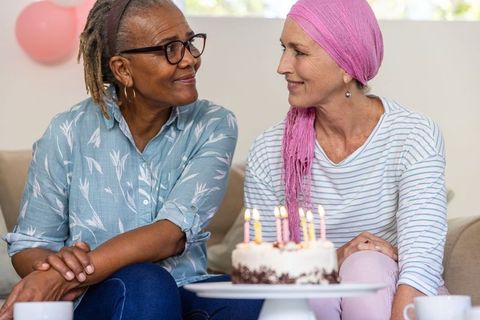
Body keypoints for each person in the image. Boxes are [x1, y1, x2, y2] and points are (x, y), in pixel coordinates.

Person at [0, 0, 263, 319]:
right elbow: (30, 245)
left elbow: (170, 234)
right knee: (147, 284)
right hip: (98, 297)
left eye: (190, 43)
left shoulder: (214, 124)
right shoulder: (68, 130)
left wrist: (62, 274)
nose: (190, 59)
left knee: (253, 297)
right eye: (170, 49)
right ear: (123, 69)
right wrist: (53, 270)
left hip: (185, 286)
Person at [244, 0, 448, 319]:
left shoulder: (414, 135)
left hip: (397, 299)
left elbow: (420, 270)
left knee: (367, 267)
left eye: (299, 51)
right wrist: (337, 257)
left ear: (345, 66)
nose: (282, 65)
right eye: (283, 48)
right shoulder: (268, 150)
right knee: (315, 290)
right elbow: (264, 272)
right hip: (315, 296)